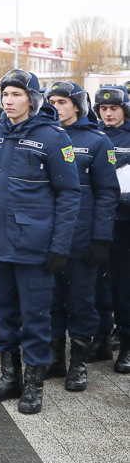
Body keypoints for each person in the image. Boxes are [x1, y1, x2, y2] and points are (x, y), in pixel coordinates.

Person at [0, 69, 81, 414]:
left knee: (35, 318)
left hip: (34, 247)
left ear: (32, 99)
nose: (9, 101)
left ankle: (34, 385)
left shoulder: (53, 138)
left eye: (17, 94)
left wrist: (59, 247)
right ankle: (11, 377)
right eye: (5, 94)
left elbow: (68, 195)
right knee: (3, 314)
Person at [43, 82, 118, 391]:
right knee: (51, 301)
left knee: (81, 303)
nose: (56, 107)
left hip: (82, 239)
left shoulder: (97, 142)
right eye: (52, 101)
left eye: (62, 102)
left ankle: (79, 363)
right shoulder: (43, 137)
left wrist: (101, 239)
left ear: (77, 106)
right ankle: (55, 358)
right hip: (47, 237)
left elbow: (107, 194)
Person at [95, 86, 130, 374]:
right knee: (99, 286)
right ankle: (102, 338)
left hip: (125, 224)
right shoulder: (97, 136)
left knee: (124, 288)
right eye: (103, 109)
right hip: (99, 222)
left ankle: (127, 345)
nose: (108, 113)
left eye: (114, 108)